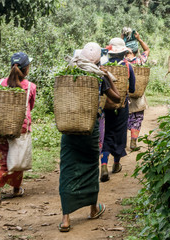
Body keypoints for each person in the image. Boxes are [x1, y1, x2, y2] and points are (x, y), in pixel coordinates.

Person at [58, 42, 121, 232]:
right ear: (98, 61)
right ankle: (93, 209)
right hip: (89, 128)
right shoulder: (98, 77)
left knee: (68, 168)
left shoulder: (69, 73)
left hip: (69, 129)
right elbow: (117, 98)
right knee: (90, 167)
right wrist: (105, 75)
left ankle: (66, 219)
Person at [0, 52, 36, 204]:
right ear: (26, 69)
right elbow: (30, 106)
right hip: (20, 129)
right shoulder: (30, 87)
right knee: (18, 158)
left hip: (0, 128)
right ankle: (16, 189)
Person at [100, 37, 136, 182]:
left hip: (106, 106)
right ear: (123, 53)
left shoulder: (104, 67)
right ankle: (116, 164)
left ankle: (103, 164)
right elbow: (132, 89)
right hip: (121, 106)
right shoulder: (128, 67)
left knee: (107, 133)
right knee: (120, 133)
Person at [122, 28, 150, 150]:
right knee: (137, 118)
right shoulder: (140, 60)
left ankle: (121, 143)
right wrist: (139, 39)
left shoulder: (122, 63)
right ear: (135, 50)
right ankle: (133, 142)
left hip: (124, 95)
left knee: (124, 119)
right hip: (138, 96)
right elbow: (147, 50)